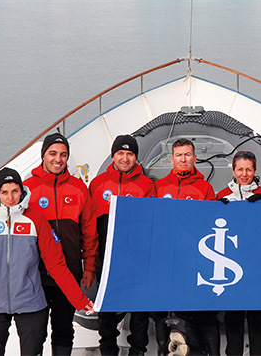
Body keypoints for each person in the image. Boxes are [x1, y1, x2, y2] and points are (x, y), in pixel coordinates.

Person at [0, 167, 93, 356]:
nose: (10, 198)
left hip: (30, 301)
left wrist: (80, 300)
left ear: (22, 191)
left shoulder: (36, 220)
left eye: (15, 191)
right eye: (4, 192)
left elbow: (56, 265)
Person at [22, 133, 97, 355]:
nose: (58, 159)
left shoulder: (78, 188)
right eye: (53, 153)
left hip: (70, 272)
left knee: (64, 329)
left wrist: (89, 266)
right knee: (35, 331)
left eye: (64, 155)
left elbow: (89, 231)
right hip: (36, 275)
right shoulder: (27, 189)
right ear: (43, 155)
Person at [88, 134, 157, 356]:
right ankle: (108, 351)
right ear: (113, 155)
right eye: (121, 153)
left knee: (139, 315)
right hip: (106, 262)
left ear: (136, 157)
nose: (125, 158)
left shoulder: (146, 185)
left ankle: (138, 351)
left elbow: (151, 224)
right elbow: (89, 225)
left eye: (130, 154)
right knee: (107, 315)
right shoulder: (98, 184)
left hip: (136, 261)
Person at [155, 138, 219, 355]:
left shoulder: (205, 188)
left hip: (197, 262)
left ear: (195, 157)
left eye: (187, 154)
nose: (183, 159)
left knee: (203, 313)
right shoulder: (159, 187)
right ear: (171, 159)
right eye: (179, 155)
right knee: (166, 314)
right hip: (168, 263)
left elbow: (211, 227)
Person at [216, 150, 261, 356]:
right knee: (233, 315)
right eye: (240, 169)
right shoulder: (222, 195)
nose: (244, 174)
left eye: (249, 169)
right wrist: (217, 209)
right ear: (233, 170)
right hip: (232, 262)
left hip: (257, 262)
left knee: (257, 315)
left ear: (255, 170)